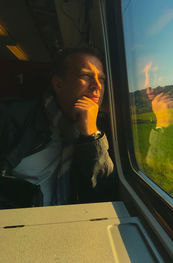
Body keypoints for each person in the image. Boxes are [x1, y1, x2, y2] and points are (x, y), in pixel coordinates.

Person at [0, 47, 117, 208]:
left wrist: (91, 136)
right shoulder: (11, 117)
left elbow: (104, 192)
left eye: (102, 79)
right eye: (86, 76)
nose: (97, 86)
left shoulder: (105, 128)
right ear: (59, 84)